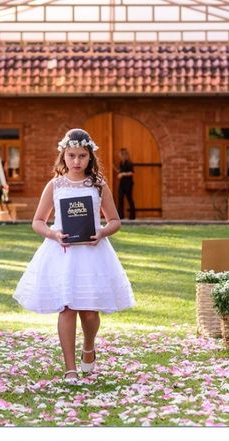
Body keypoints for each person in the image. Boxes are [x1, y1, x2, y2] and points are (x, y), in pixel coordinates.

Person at [13, 128, 135, 381]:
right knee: (67, 308)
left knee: (89, 311)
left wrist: (101, 233)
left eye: (82, 156)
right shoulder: (55, 185)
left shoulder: (98, 185)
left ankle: (89, 346)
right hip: (63, 254)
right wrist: (54, 234)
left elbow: (114, 221)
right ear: (63, 156)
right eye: (71, 156)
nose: (77, 161)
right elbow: (37, 221)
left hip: (92, 254)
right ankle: (69, 368)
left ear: (90, 157)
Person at [116, 148, 135, 220]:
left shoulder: (129, 163)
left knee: (129, 199)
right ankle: (121, 215)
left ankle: (132, 216)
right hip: (122, 183)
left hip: (128, 184)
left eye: (120, 154)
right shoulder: (121, 163)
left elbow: (132, 172)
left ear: (124, 155)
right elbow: (121, 171)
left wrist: (123, 174)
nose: (119, 156)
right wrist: (119, 172)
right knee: (120, 198)